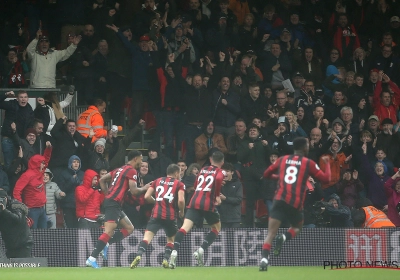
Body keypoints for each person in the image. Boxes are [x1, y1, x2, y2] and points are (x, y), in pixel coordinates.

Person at [260, 137, 331, 271]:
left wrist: (278, 177)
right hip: (295, 202)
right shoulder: (308, 163)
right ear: (305, 148)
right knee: (297, 227)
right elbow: (326, 179)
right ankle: (284, 237)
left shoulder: (282, 159)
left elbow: (266, 174)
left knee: (271, 233)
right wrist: (327, 164)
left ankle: (264, 259)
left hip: (279, 199)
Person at [86, 150, 151, 268]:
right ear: (135, 158)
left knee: (129, 228)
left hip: (114, 203)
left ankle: (106, 244)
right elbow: (134, 191)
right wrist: (145, 188)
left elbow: (101, 180)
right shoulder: (132, 171)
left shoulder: (119, 169)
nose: (141, 163)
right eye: (141, 159)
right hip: (113, 203)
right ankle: (92, 258)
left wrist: (107, 193)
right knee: (109, 231)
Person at [168, 151, 225, 269]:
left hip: (194, 201)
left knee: (184, 228)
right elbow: (219, 179)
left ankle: (174, 252)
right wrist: (218, 195)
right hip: (208, 204)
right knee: (216, 228)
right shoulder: (219, 172)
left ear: (211, 160)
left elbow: (195, 184)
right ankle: (201, 249)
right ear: (222, 162)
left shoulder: (203, 169)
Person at [130, 164, 185, 269]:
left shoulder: (157, 181)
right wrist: (181, 211)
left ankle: (139, 255)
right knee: (170, 239)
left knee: (147, 238)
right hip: (170, 215)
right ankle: (165, 259)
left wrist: (156, 202)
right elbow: (181, 200)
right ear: (177, 173)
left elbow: (146, 196)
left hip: (156, 214)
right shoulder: (179, 184)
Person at [13, 141, 52, 229]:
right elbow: (17, 190)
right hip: (31, 210)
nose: (44, 164)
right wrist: (21, 206)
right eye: (42, 163)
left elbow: (46, 159)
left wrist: (48, 149)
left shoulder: (40, 171)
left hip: (42, 208)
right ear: (37, 164)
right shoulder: (27, 175)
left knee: (44, 235)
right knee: (33, 235)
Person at [0, 90, 34, 168]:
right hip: (8, 139)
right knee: (9, 164)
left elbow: (30, 125)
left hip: (21, 141)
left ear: (28, 98)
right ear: (17, 98)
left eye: (25, 97)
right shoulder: (12, 104)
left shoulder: (29, 109)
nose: (23, 99)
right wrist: (6, 94)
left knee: (20, 165)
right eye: (21, 97)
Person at [0, 189, 33, 258]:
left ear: (5, 198)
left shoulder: (16, 205)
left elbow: (17, 219)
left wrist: (4, 210)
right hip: (10, 244)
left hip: (23, 243)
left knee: (24, 265)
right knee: (11, 267)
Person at [219, 162, 243, 228]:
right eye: (224, 171)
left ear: (232, 172)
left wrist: (225, 198)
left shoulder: (238, 184)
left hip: (234, 219)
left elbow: (239, 199)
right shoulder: (219, 184)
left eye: (227, 171)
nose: (225, 173)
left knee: (234, 238)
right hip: (222, 218)